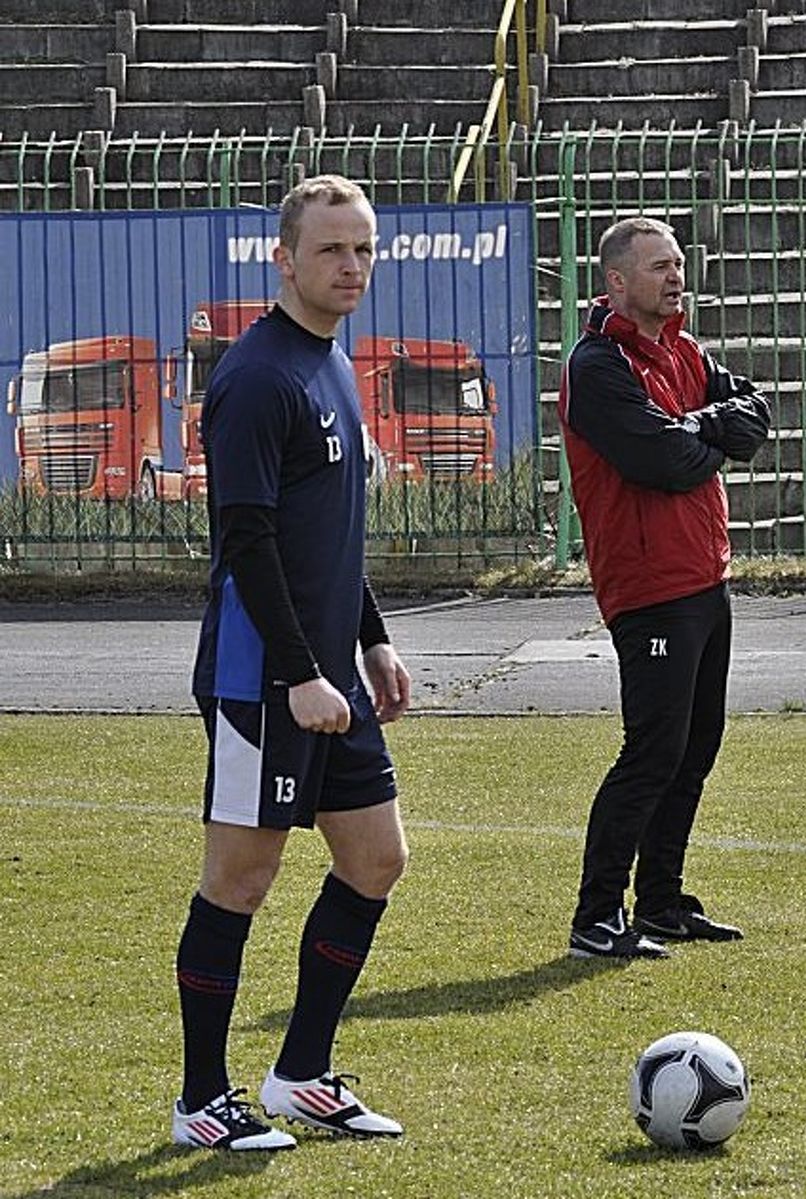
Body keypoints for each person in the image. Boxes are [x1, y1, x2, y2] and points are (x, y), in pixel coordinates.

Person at [170, 174, 411, 1152]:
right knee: (241, 878)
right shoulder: (257, 376)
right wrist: (304, 670)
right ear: (284, 258)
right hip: (260, 675)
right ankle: (201, 1099)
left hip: (327, 669)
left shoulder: (333, 365)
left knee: (376, 856)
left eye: (362, 249)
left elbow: (329, 538)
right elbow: (249, 541)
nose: (350, 266)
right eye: (331, 249)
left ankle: (302, 1073)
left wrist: (373, 635)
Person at [561, 216, 770, 959]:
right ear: (616, 282)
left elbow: (754, 416)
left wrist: (698, 424)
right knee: (653, 749)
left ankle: (660, 903)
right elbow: (663, 461)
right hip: (649, 586)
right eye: (658, 267)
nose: (675, 276)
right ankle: (596, 915)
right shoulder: (597, 368)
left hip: (703, 575)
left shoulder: (683, 348)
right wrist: (701, 437)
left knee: (695, 746)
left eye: (677, 263)